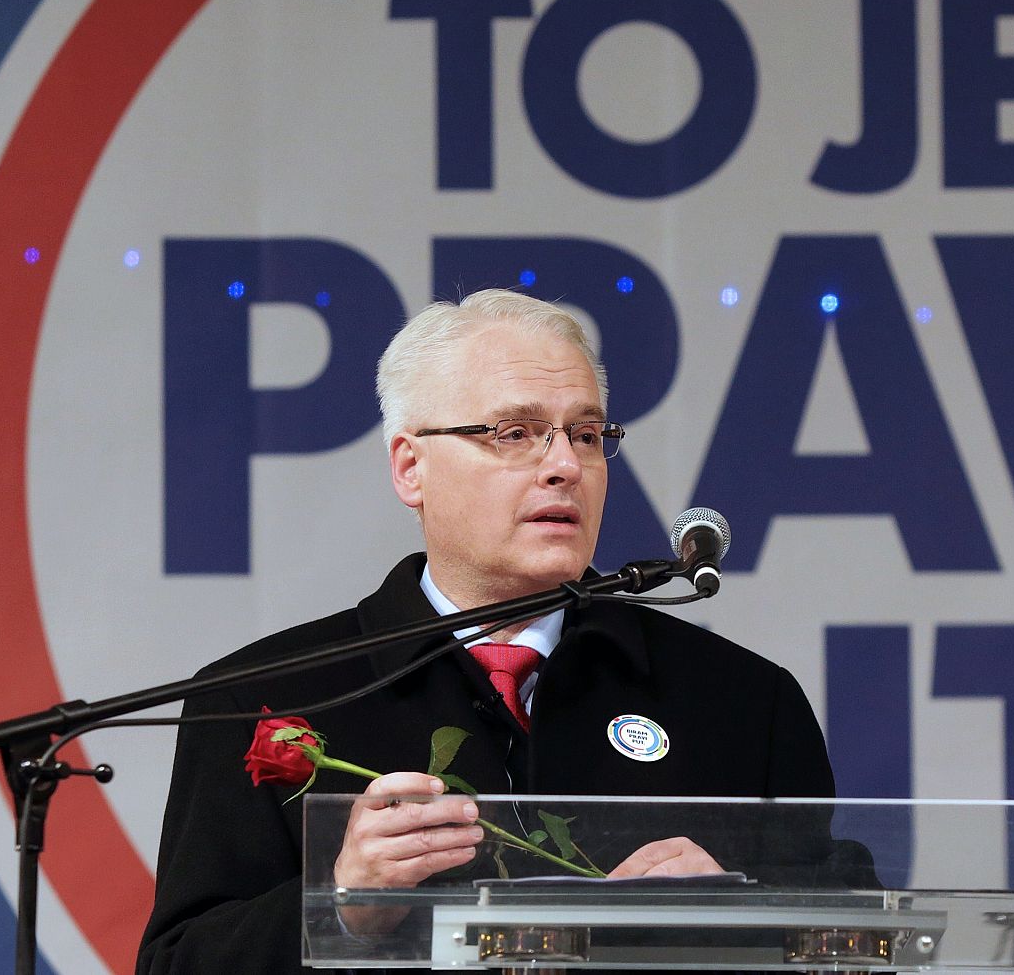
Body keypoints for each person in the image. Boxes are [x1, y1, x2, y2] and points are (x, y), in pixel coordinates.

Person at [137, 289, 839, 974]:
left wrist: (746, 913)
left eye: (587, 435)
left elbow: (855, 920)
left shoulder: (744, 700)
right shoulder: (264, 697)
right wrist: (339, 907)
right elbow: (180, 960)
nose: (565, 465)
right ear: (412, 467)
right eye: (515, 433)